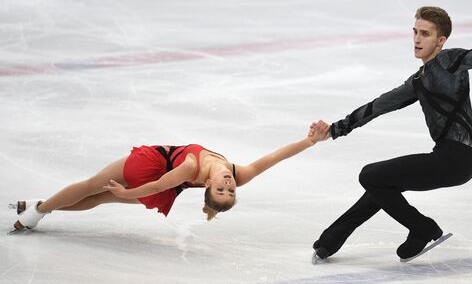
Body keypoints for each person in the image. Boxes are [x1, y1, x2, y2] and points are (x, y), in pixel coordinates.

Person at [309, 6, 472, 262]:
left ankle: (423, 228)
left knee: (370, 175)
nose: (417, 39)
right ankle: (331, 240)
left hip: (457, 158)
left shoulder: (450, 61)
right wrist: (335, 129)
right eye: (415, 32)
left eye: (425, 34)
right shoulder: (419, 81)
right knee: (380, 185)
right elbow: (379, 105)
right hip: (448, 158)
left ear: (440, 40)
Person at [12, 123, 330, 231]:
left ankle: (37, 211)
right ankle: (41, 207)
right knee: (97, 193)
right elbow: (275, 158)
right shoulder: (240, 173)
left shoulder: (193, 169)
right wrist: (310, 141)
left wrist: (124, 194)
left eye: (222, 190)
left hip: (158, 168)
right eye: (230, 191)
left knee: (96, 189)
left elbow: (160, 183)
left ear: (208, 186)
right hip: (165, 177)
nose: (229, 186)